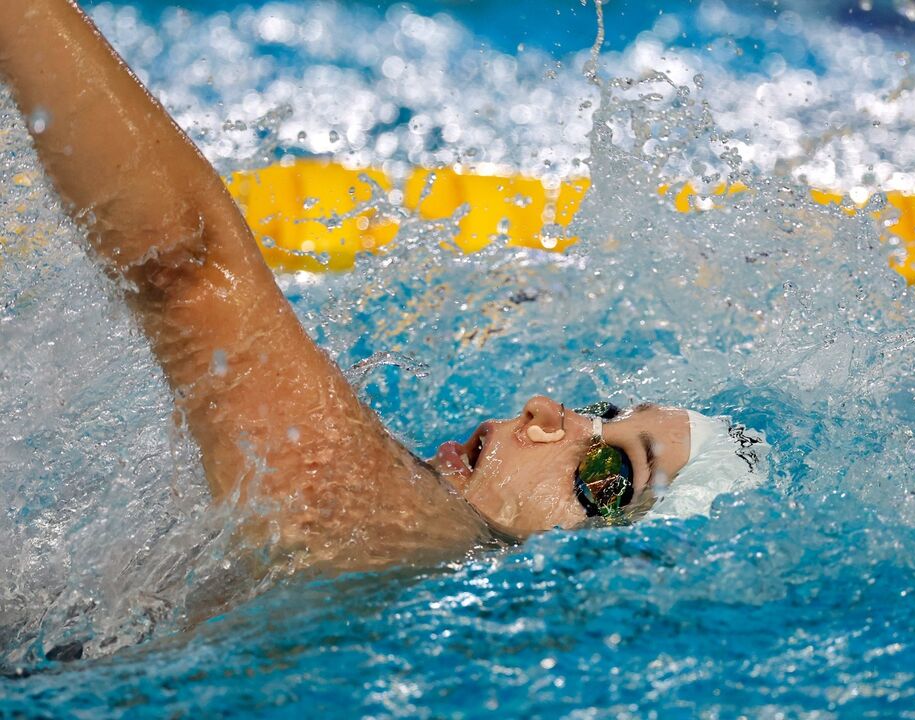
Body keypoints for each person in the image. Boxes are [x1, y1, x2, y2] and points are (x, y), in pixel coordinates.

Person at [0, 0, 765, 574]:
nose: (543, 411)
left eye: (606, 470)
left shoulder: (398, 533)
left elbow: (185, 269)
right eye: (597, 415)